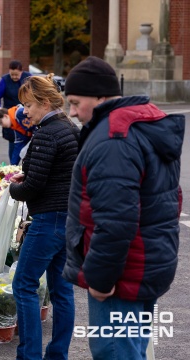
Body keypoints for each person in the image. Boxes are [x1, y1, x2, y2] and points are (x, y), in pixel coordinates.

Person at [63, 56, 184, 359]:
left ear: (101, 97)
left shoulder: (114, 138)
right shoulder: (142, 122)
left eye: (76, 102)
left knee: (115, 352)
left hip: (120, 277)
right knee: (132, 350)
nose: (72, 112)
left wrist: (101, 281)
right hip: (146, 265)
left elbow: (116, 222)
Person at [8, 74, 79, 360]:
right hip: (69, 220)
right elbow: (63, 174)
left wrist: (14, 187)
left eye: (29, 104)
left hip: (48, 220)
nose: (25, 110)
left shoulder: (47, 133)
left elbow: (33, 186)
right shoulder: (71, 129)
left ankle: (29, 355)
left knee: (23, 285)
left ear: (45, 102)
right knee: (62, 290)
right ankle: (57, 354)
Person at [0, 60, 33, 164]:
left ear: (21, 71)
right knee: (14, 144)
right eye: (12, 74)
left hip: (26, 114)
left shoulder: (28, 78)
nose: (14, 77)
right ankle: (13, 166)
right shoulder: (5, 80)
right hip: (10, 117)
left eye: (17, 74)